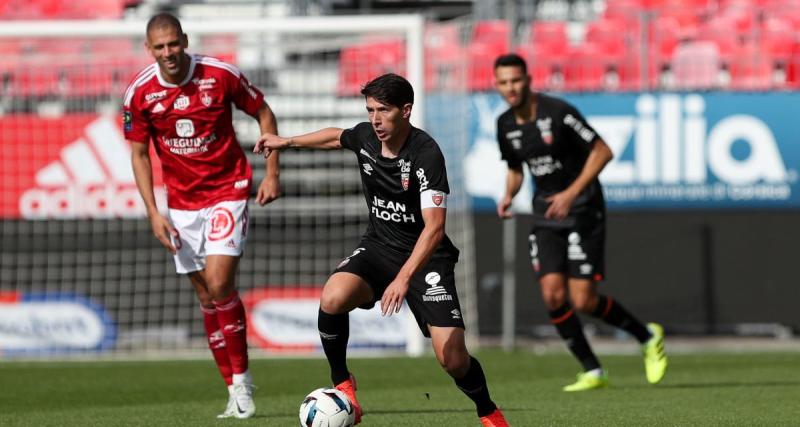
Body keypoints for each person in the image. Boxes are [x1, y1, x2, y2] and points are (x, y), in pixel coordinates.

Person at [255, 73, 509, 427]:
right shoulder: (366, 136)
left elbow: (435, 228)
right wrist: (287, 142)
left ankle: (488, 412)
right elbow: (336, 137)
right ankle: (343, 382)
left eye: (383, 111)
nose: (374, 119)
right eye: (370, 110)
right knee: (332, 297)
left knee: (452, 359)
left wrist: (404, 278)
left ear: (406, 111)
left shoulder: (426, 153)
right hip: (378, 247)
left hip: (426, 259)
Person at [126, 12, 281, 419]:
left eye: (173, 43)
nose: (168, 52)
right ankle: (232, 388)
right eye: (159, 47)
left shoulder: (220, 74)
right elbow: (140, 154)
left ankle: (244, 381)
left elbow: (264, 114)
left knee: (219, 282)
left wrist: (272, 174)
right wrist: (152, 212)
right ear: (149, 49)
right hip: (181, 204)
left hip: (228, 190)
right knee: (205, 296)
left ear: (185, 40)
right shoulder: (140, 94)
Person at [492, 53, 667, 392]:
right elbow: (515, 168)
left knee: (584, 301)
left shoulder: (558, 112)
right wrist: (508, 195)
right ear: (497, 85)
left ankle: (647, 336)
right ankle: (592, 370)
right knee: (553, 295)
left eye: (515, 80)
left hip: (583, 209)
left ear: (528, 80)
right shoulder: (505, 125)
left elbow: (602, 151)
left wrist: (571, 194)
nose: (510, 88)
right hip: (546, 214)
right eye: (503, 82)